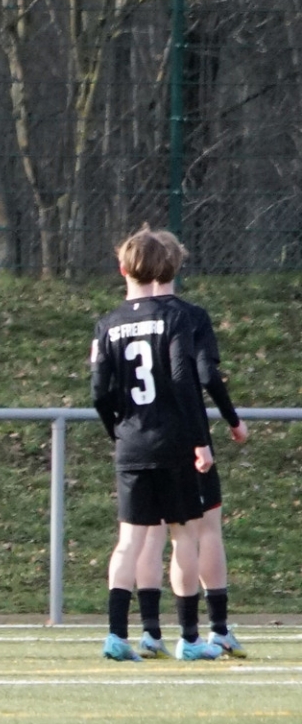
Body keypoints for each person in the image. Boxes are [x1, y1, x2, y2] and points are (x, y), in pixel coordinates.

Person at [93, 227, 221, 663]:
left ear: (123, 268)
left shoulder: (108, 323)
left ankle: (115, 635)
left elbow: (98, 391)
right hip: (172, 441)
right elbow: (185, 380)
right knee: (184, 533)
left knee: (128, 540)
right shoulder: (176, 318)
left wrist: (118, 429)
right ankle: (189, 638)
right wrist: (200, 441)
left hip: (131, 443)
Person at [130, 230, 246, 658]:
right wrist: (232, 420)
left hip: (139, 436)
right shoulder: (189, 316)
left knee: (149, 535)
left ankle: (149, 632)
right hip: (183, 434)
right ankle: (214, 628)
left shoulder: (124, 316)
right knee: (202, 531)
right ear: (177, 264)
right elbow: (204, 375)